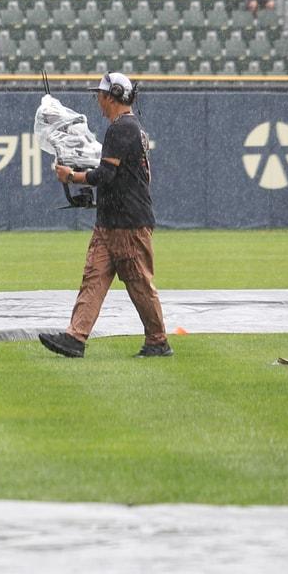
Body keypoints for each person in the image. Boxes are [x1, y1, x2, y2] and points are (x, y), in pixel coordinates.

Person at [41, 72, 172, 359]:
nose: (98, 101)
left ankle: (158, 341)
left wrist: (73, 176)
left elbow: (106, 174)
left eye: (100, 95)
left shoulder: (120, 129)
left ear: (111, 96)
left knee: (138, 282)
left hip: (127, 222)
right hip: (112, 219)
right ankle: (75, 337)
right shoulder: (129, 127)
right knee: (94, 278)